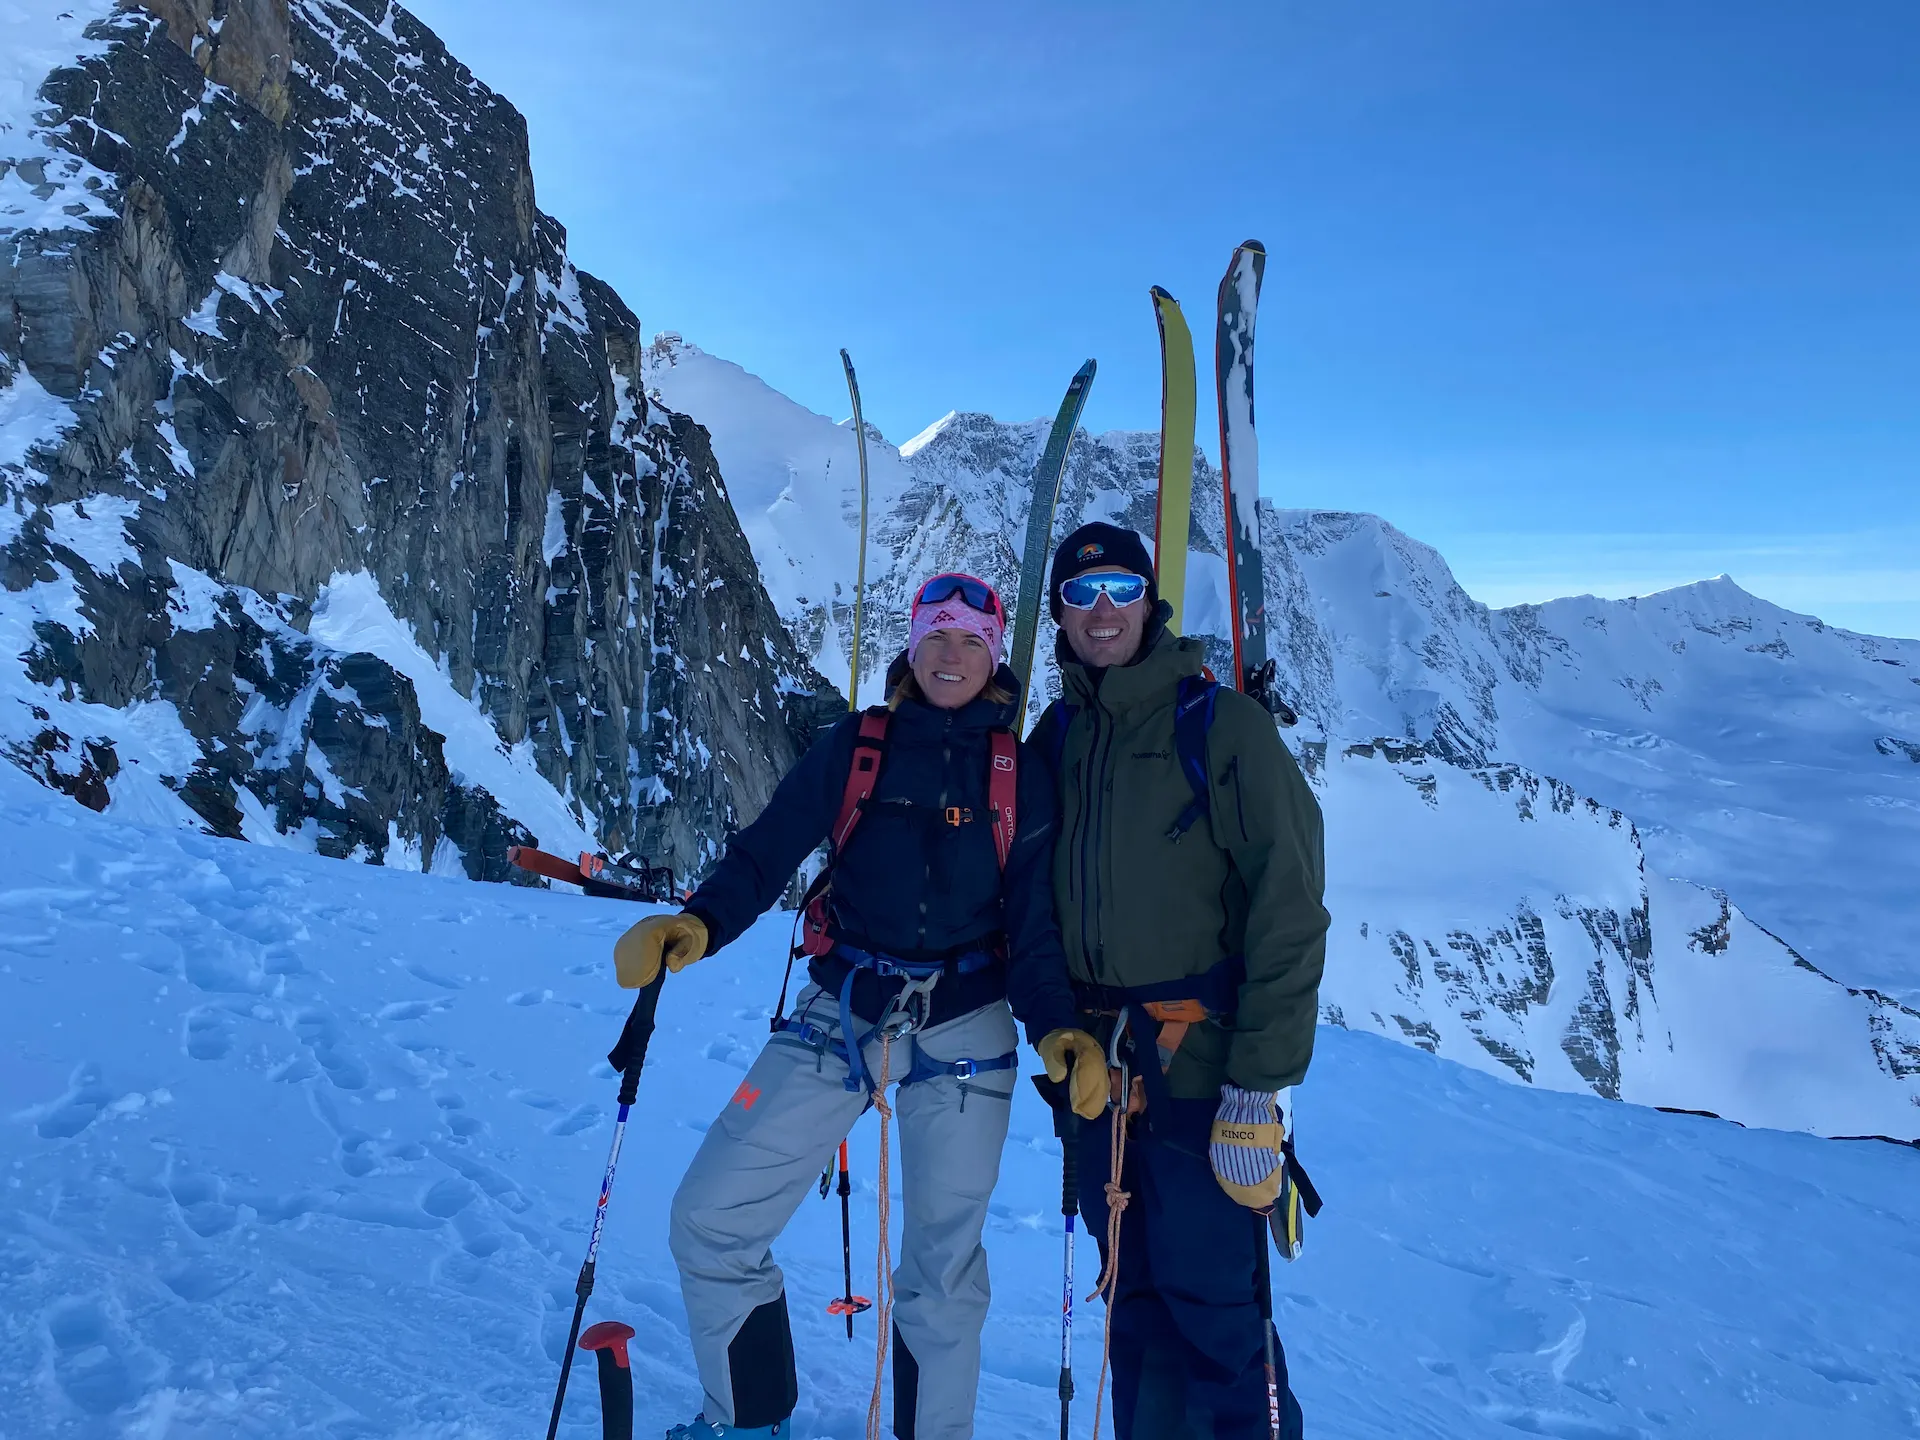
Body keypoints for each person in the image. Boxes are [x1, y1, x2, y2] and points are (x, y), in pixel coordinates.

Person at [611, 572, 1107, 1440]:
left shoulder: (1019, 777)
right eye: (937, 636)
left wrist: (1057, 1025)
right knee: (711, 1216)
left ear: (993, 659)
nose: (952, 656)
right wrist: (699, 922)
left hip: (967, 1021)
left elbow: (1034, 929)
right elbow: (766, 851)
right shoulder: (856, 747)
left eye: (970, 642)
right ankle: (751, 1420)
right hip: (841, 1010)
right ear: (911, 647)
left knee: (943, 1273)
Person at [1036, 521, 1329, 1440]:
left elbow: (1291, 906)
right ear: (1060, 613)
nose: (1103, 611)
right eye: (1082, 595)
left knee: (1221, 1324)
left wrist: (1257, 1087)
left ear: (1150, 602)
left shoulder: (1220, 726)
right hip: (1100, 1087)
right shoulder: (1059, 737)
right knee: (1133, 1311)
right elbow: (1030, 901)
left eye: (1122, 588)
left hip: (1203, 1085)